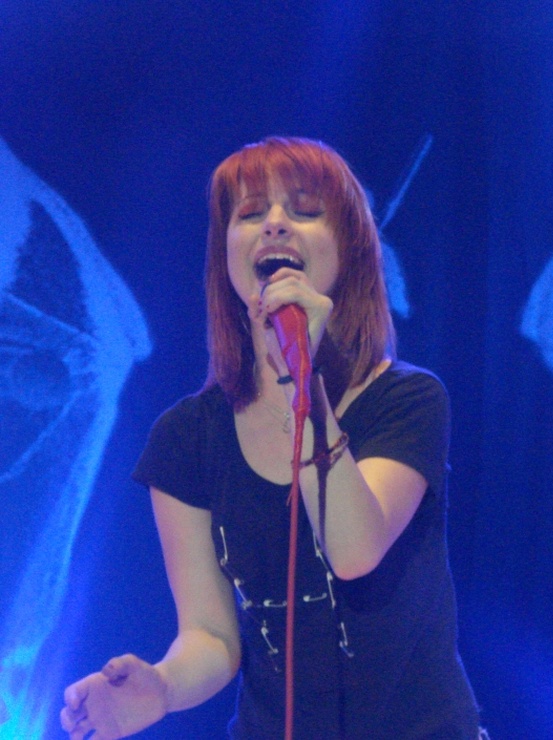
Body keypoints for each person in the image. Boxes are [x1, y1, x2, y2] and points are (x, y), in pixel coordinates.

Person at [60, 136, 481, 738]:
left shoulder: (406, 399)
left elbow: (353, 550)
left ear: (350, 249)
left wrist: (295, 379)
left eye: (305, 211)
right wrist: (163, 688)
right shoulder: (187, 437)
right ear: (226, 253)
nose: (275, 224)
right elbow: (210, 634)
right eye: (251, 213)